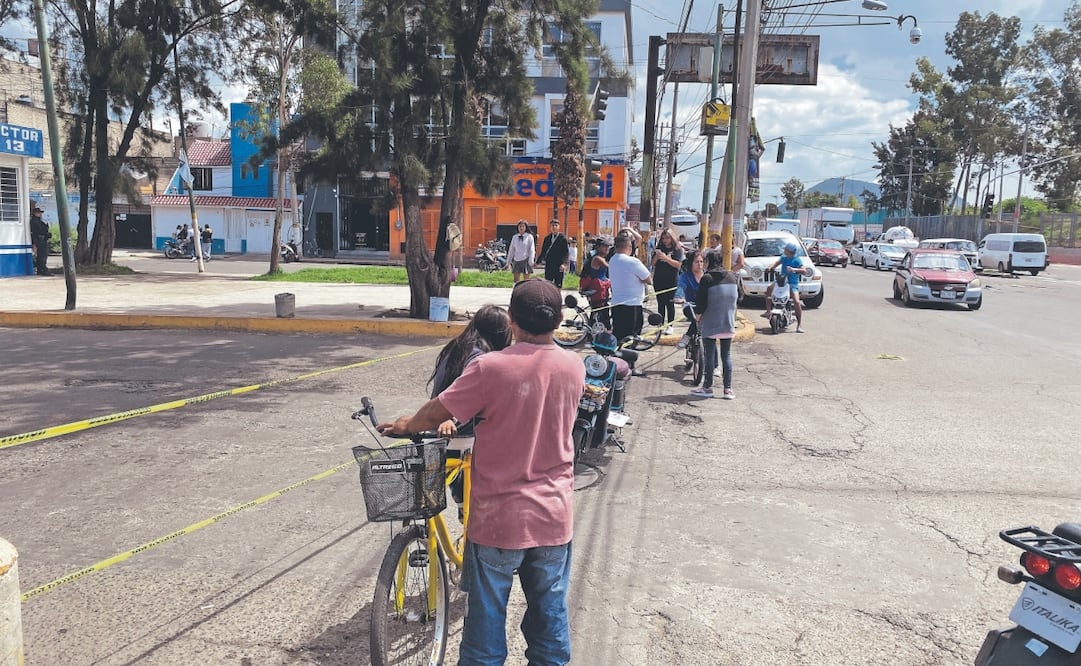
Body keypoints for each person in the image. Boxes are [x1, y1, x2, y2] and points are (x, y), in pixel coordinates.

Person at [377, 279, 584, 665]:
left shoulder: (491, 368)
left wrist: (407, 424)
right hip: (553, 519)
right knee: (549, 624)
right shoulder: (574, 367)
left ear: (511, 319)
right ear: (558, 319)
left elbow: (439, 409)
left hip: (497, 520)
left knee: (485, 636)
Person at [692, 250, 739, 399]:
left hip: (711, 322)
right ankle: (728, 389)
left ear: (708, 262)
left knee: (709, 355)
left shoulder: (707, 278)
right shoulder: (732, 276)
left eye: (704, 261)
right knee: (726, 355)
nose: (703, 264)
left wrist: (697, 318)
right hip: (728, 321)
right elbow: (739, 298)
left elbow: (700, 303)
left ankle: (707, 387)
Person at [607, 232, 651, 343]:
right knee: (631, 338)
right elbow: (649, 279)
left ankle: (617, 359)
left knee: (618, 336)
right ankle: (628, 360)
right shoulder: (633, 261)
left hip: (617, 305)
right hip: (632, 305)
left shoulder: (612, 260)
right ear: (629, 247)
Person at [764, 241, 810, 333]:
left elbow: (804, 270)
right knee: (769, 289)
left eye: (786, 249)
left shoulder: (797, 260)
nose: (784, 250)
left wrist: (794, 269)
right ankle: (768, 311)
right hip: (782, 281)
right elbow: (776, 263)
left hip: (792, 283)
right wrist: (770, 268)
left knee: (797, 302)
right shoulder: (784, 257)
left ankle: (799, 325)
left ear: (790, 251)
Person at [650, 228, 684, 334]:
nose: (665, 240)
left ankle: (670, 325)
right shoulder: (659, 248)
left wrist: (666, 258)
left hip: (671, 279)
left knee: (669, 303)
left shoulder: (677, 249)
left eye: (668, 238)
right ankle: (660, 325)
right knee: (660, 303)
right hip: (659, 279)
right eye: (664, 238)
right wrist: (657, 256)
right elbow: (652, 263)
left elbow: (678, 265)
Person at [578, 235, 612, 332]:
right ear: (598, 247)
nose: (607, 248)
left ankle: (603, 331)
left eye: (608, 246)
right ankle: (591, 333)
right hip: (596, 289)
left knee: (603, 309)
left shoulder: (600, 257)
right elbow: (610, 267)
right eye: (604, 246)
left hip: (601, 288)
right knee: (597, 310)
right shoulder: (597, 258)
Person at [677, 249, 706, 348]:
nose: (700, 264)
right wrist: (678, 297)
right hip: (690, 305)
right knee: (696, 318)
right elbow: (681, 287)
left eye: (701, 261)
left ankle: (688, 336)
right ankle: (687, 337)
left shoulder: (707, 275)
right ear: (691, 263)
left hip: (704, 306)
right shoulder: (685, 276)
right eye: (696, 262)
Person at [538, 219, 569, 288]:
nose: (554, 227)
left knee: (558, 285)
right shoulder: (547, 238)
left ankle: (557, 298)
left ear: (559, 227)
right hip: (549, 264)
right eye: (552, 225)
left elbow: (566, 253)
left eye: (556, 225)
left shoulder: (563, 238)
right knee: (548, 284)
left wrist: (564, 264)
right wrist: (537, 262)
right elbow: (543, 251)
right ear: (550, 227)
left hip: (559, 265)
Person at [29, 205, 50, 276]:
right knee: (42, 256)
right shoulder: (35, 222)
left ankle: (41, 269)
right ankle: (42, 270)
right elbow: (39, 231)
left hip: (42, 239)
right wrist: (46, 233)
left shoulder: (38, 221)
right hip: (40, 240)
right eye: (39, 213)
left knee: (43, 255)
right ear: (35, 213)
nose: (40, 214)